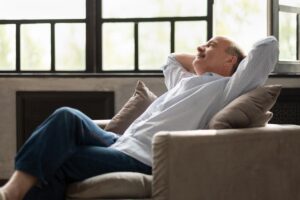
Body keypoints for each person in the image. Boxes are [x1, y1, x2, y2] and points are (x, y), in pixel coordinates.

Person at [0, 36, 278, 200]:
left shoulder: (224, 89)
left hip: (143, 159)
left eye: (211, 44)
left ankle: (11, 194)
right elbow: (170, 59)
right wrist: (205, 56)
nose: (200, 47)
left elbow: (268, 47)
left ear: (231, 62)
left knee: (62, 160)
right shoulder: (185, 82)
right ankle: (14, 189)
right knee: (66, 116)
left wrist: (229, 56)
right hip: (120, 143)